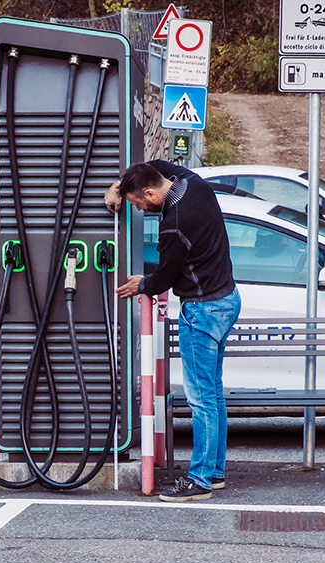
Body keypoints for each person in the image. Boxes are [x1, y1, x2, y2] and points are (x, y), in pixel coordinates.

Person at [109, 161, 241, 502]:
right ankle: (214, 472)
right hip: (227, 298)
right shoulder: (193, 183)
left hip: (202, 310)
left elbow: (165, 277)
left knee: (200, 400)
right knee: (213, 393)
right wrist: (119, 185)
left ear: (152, 194)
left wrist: (143, 284)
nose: (138, 208)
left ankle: (199, 482)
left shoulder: (173, 225)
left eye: (138, 203)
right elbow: (153, 166)